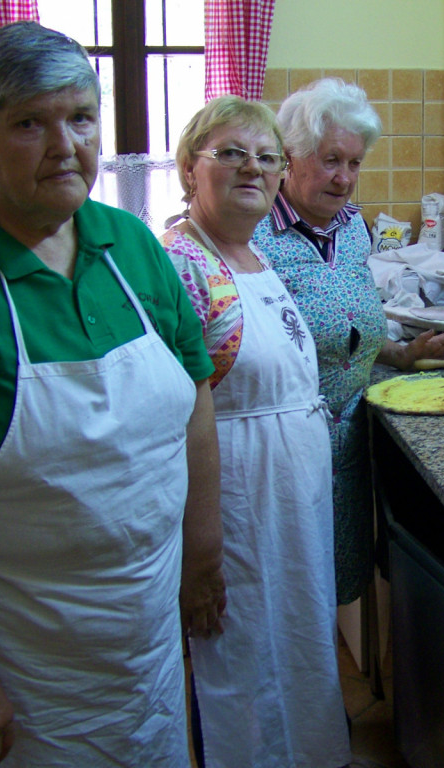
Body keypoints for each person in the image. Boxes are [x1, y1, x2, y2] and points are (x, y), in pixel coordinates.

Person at [0, 22, 225, 768]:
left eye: (81, 117)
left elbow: (194, 401)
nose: (66, 145)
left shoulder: (132, 246)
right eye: (29, 123)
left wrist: (202, 552)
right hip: (18, 661)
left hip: (142, 637)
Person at [161, 96, 350, 767]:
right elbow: (177, 419)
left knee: (295, 642)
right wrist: (201, 550)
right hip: (235, 501)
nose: (254, 168)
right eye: (232, 154)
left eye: (267, 158)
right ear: (190, 169)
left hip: (286, 504)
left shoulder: (249, 254)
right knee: (242, 658)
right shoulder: (182, 263)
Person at [252, 78, 444, 605]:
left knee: (327, 598)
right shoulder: (253, 233)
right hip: (278, 461)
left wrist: (404, 353)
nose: (345, 178)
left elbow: (348, 335)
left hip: (345, 453)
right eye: (332, 160)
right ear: (291, 157)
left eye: (355, 163)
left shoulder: (353, 227)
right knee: (275, 607)